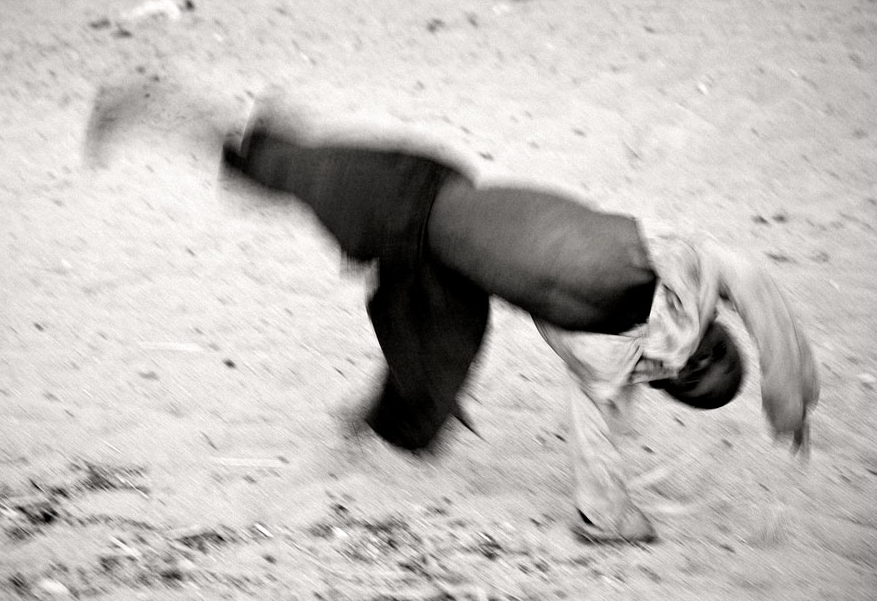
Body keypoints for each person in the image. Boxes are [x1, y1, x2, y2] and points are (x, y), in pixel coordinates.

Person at [87, 84, 820, 544]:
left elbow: (597, 441)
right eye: (695, 363)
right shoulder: (659, 268)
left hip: (444, 270)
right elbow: (742, 273)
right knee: (267, 159)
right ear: (700, 336)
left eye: (680, 379)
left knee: (429, 384)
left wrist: (613, 516)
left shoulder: (610, 354)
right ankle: (150, 103)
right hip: (412, 194)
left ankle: (354, 436)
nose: (675, 364)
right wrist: (787, 383)